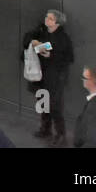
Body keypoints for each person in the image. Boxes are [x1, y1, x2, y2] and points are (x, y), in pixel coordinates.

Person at [24, 8, 74, 146]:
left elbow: (69, 58)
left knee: (55, 105)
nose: (47, 19)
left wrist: (51, 55)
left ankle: (60, 134)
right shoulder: (42, 32)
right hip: (42, 74)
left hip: (56, 77)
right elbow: (28, 38)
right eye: (47, 16)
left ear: (57, 23)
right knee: (43, 102)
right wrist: (34, 43)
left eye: (50, 18)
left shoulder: (63, 38)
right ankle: (45, 129)